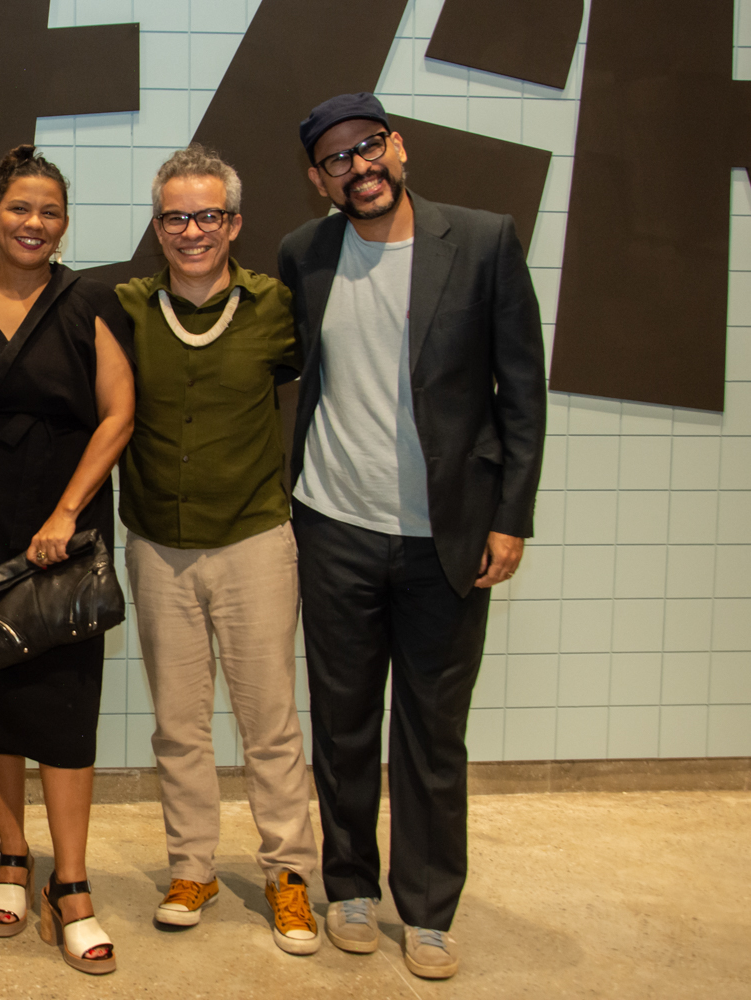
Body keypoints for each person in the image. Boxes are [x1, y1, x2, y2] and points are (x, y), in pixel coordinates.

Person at [278, 93, 546, 980]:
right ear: (319, 178)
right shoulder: (303, 254)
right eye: (337, 159)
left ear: (399, 147)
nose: (358, 168)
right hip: (334, 526)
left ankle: (429, 910)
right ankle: (351, 886)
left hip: (448, 536)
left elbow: (523, 391)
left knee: (433, 732)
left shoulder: (482, 241)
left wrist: (510, 516)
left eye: (369, 147)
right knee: (343, 724)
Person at [0, 145, 135, 975]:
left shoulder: (90, 301)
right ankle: (12, 854)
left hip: (59, 524)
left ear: (64, 223)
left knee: (64, 701)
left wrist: (66, 514)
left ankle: (70, 884)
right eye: (19, 208)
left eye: (49, 211)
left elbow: (119, 415)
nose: (33, 223)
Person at [115, 145, 322, 954]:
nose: (192, 231)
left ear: (234, 223)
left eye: (208, 215)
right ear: (157, 226)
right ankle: (191, 867)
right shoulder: (127, 307)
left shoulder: (275, 306)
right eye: (176, 217)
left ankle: (289, 874)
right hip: (157, 546)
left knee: (269, 723)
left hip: (254, 540)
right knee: (178, 725)